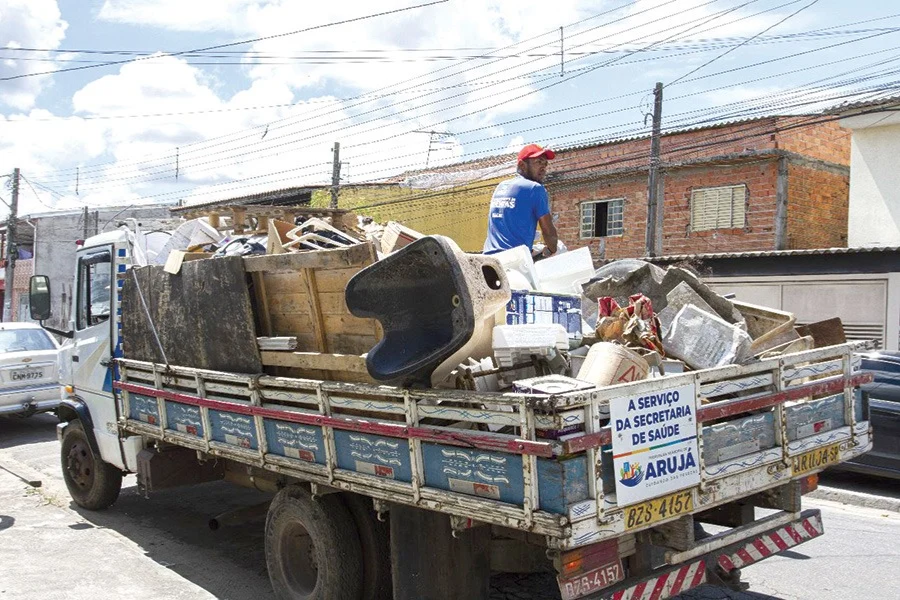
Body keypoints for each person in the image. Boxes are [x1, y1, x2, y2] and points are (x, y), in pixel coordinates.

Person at [483, 143, 559, 258]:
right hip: (514, 261)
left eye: (545, 164)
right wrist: (551, 249)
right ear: (522, 165)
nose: (543, 168)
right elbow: (549, 233)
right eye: (538, 162)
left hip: (488, 258)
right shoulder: (535, 188)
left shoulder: (501, 186)